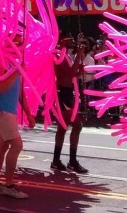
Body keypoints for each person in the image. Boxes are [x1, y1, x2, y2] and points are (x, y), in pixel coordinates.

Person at [0, 33, 35, 199]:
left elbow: (19, 92)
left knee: (2, 146)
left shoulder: (15, 64)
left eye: (22, 44)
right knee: (17, 145)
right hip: (0, 110)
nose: (20, 47)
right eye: (17, 43)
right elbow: (1, 87)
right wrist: (17, 71)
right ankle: (9, 184)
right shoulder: (0, 62)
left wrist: (28, 114)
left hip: (8, 111)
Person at [51, 35, 88, 174]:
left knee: (63, 127)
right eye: (70, 40)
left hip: (66, 92)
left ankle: (56, 160)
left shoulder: (66, 56)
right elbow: (69, 73)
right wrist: (79, 55)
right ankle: (72, 161)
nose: (73, 42)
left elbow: (72, 75)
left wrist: (79, 68)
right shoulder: (60, 56)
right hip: (63, 95)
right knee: (77, 125)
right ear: (62, 42)